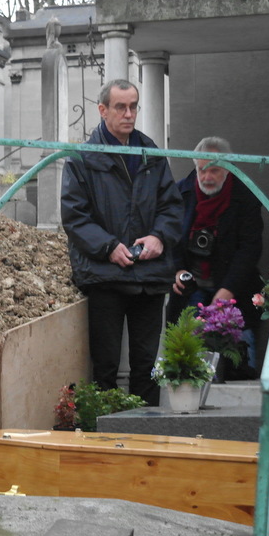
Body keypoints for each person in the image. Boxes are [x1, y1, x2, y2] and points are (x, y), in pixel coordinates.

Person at [60, 79, 183, 406]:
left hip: (149, 276)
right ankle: (106, 430)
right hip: (105, 276)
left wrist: (158, 237)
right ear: (103, 110)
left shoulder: (150, 153)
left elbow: (172, 206)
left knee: (146, 367)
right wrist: (109, 247)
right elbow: (74, 216)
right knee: (105, 366)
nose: (129, 114)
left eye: (133, 107)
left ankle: (145, 429)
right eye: (120, 107)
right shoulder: (82, 158)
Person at [166, 136, 262, 378]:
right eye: (201, 170)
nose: (207, 176)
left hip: (235, 287)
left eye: (214, 170)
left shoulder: (246, 197)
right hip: (192, 287)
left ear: (228, 169)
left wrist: (228, 290)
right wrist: (177, 270)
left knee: (240, 358)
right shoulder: (181, 193)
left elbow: (250, 249)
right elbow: (169, 236)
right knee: (188, 358)